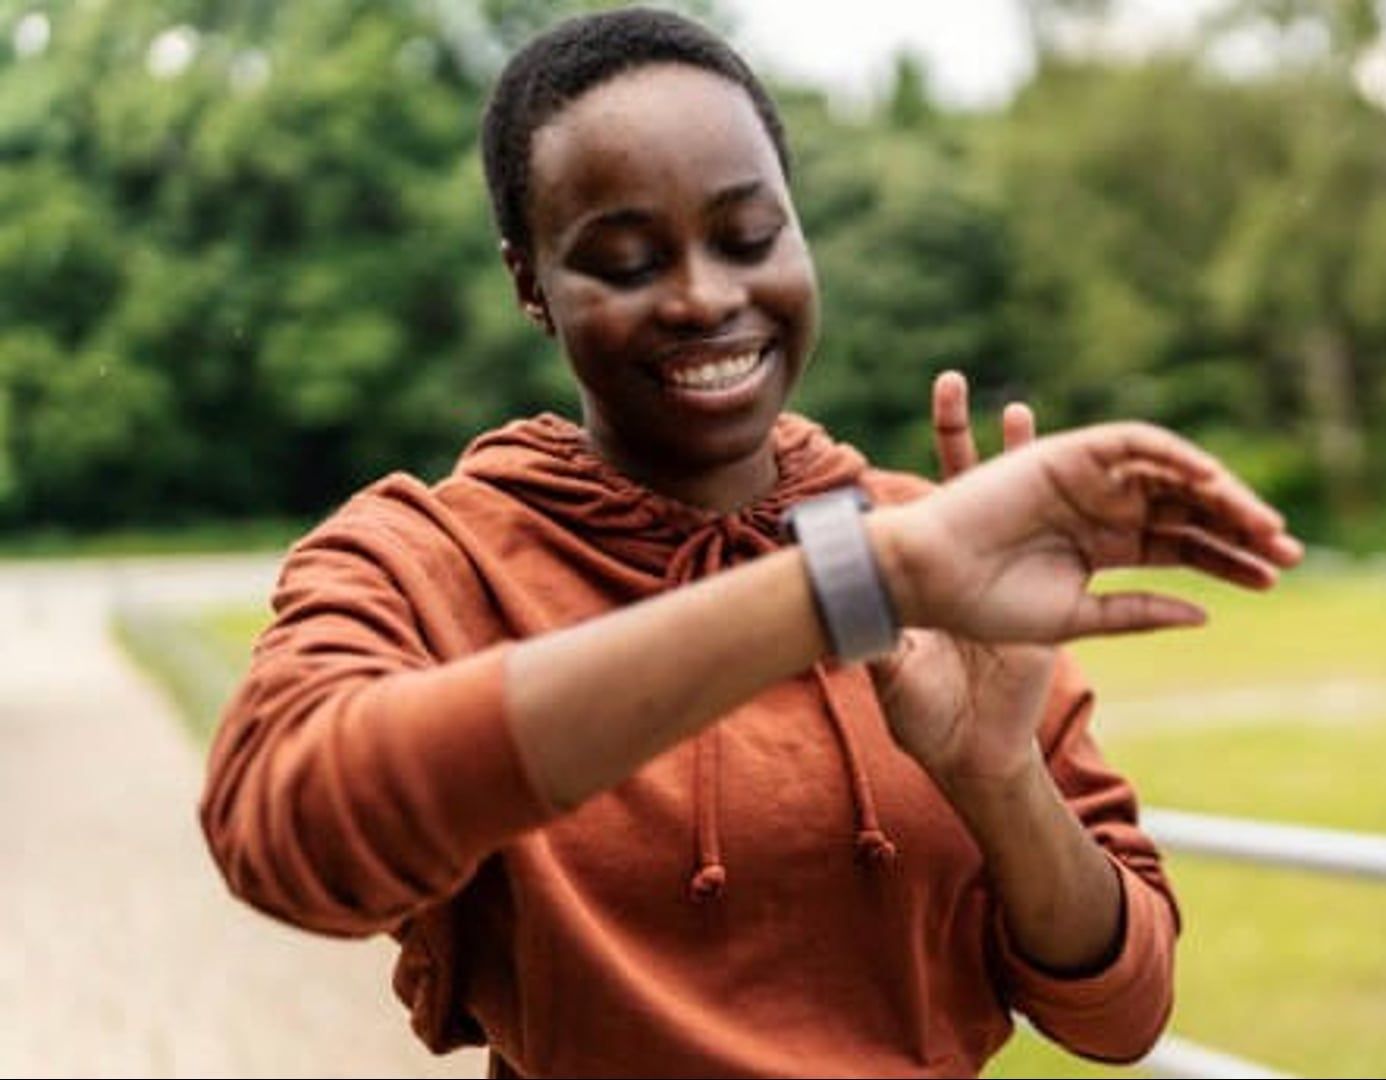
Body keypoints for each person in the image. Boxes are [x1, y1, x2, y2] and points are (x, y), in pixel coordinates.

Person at [198, 7, 1303, 1078]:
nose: (704, 297)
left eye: (748, 236)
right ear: (530, 284)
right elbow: (283, 829)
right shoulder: (427, 558)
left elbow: (1124, 1012)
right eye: (626, 262)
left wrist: (998, 776)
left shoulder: (939, 554)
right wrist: (836, 590)